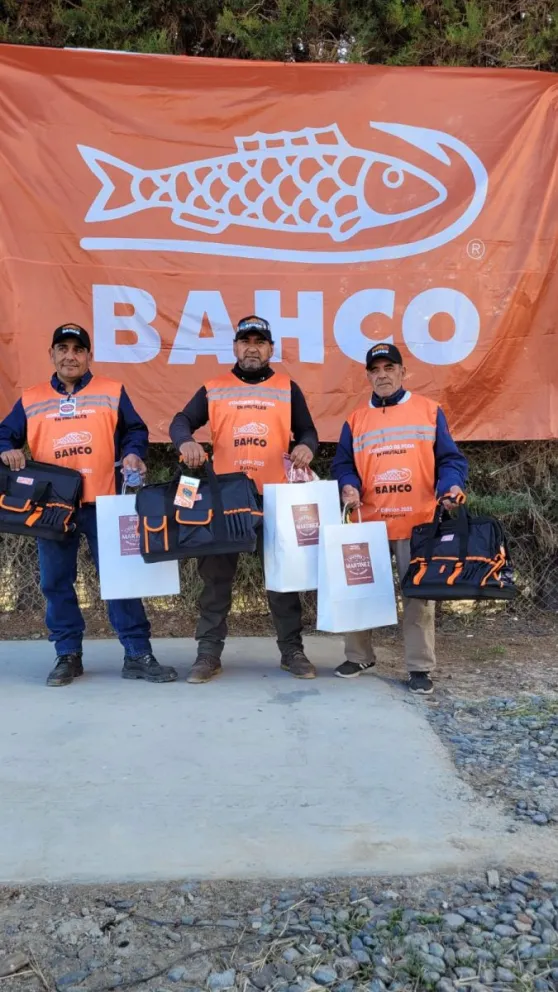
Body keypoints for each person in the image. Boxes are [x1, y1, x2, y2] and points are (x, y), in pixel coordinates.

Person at [0, 323, 177, 687]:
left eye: (78, 350)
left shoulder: (111, 391)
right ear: (51, 355)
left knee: (121, 579)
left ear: (88, 356)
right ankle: (67, 655)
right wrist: (7, 450)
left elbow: (136, 430)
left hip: (105, 502)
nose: (70, 356)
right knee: (55, 582)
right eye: (63, 349)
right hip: (51, 508)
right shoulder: (31, 398)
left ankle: (137, 653)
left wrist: (133, 454)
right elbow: (4, 434)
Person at [170, 314, 319, 683]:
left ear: (270, 349)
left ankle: (292, 651)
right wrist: (186, 442)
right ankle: (208, 654)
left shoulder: (287, 388)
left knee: (282, 581)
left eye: (260, 342)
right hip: (226, 501)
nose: (252, 348)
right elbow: (180, 422)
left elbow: (309, 432)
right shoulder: (214, 387)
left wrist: (306, 447)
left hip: (274, 500)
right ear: (235, 347)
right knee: (215, 581)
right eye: (245, 342)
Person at [331, 342, 468, 695]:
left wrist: (450, 487)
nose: (382, 375)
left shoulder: (429, 411)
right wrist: (348, 485)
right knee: (359, 591)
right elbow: (342, 463)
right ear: (368, 377)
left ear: (403, 372)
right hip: (367, 523)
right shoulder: (355, 420)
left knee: (418, 597)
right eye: (375, 370)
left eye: (389, 368)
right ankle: (359, 656)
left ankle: (420, 667)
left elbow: (450, 460)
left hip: (417, 522)